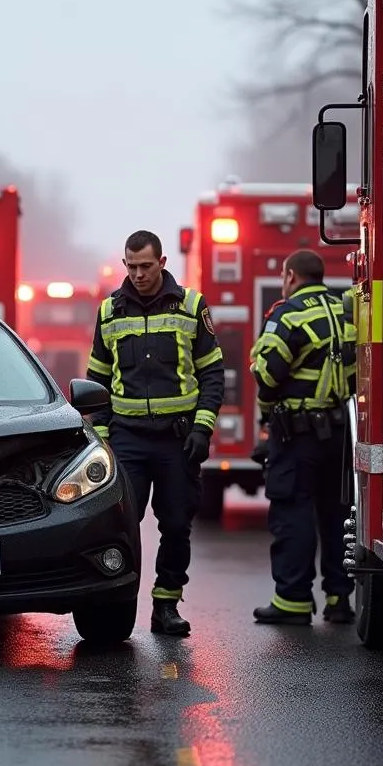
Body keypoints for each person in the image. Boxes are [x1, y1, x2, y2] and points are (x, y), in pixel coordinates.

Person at [85, 230, 224, 635]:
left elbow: (213, 373)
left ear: (162, 263)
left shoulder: (191, 306)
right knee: (118, 525)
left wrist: (202, 428)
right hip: (127, 439)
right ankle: (118, 602)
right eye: (132, 266)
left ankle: (166, 605)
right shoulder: (109, 311)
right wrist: (104, 437)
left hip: (177, 440)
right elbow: (97, 380)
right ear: (124, 264)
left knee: (177, 523)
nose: (139, 274)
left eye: (147, 266)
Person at [249, 249, 357, 625]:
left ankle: (293, 600)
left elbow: (268, 374)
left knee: (293, 512)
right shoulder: (346, 313)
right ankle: (339, 598)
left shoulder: (288, 313)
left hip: (297, 437)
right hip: (341, 434)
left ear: (290, 276)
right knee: (337, 515)